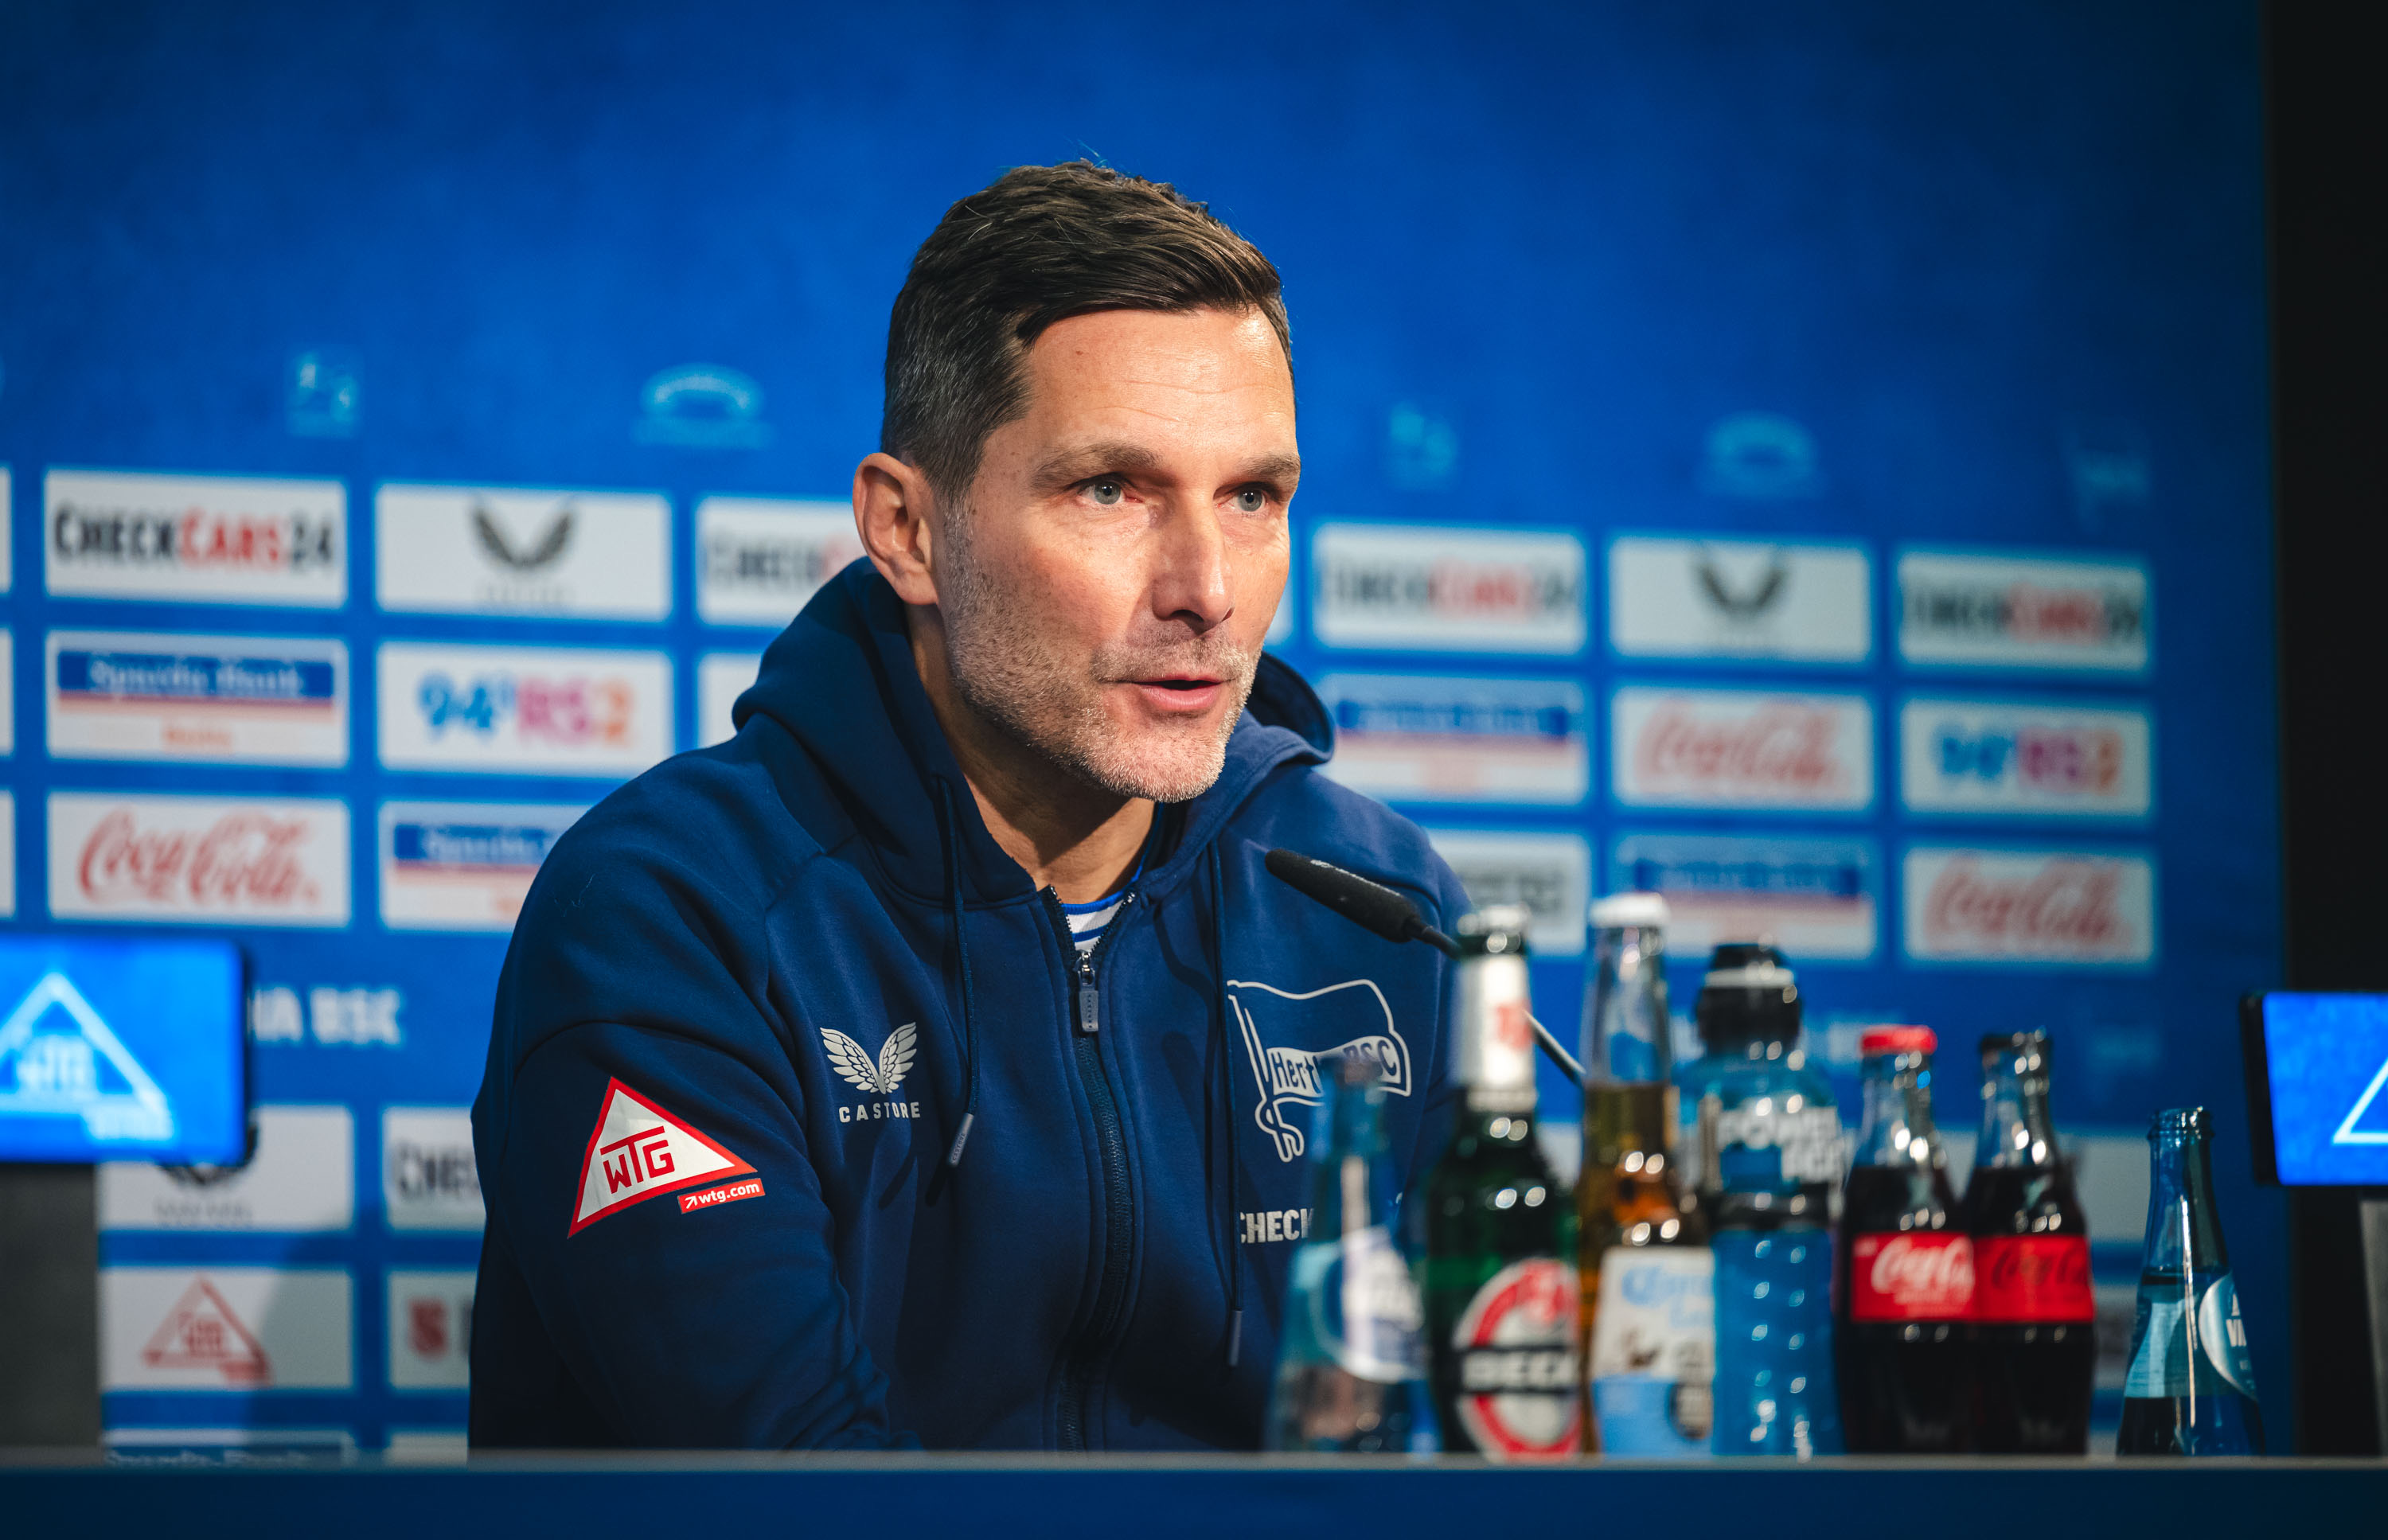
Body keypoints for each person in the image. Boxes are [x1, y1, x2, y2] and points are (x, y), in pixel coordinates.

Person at [468, 161, 1471, 1450]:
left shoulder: (1382, 916)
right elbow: (799, 1493)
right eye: (1111, 489)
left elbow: (1493, 1451)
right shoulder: (674, 916)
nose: (1207, 590)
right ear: (907, 531)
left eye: (1251, 498)